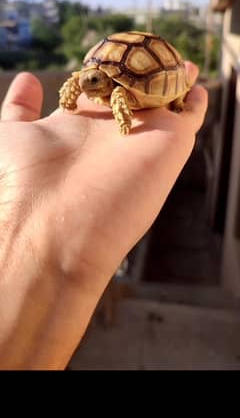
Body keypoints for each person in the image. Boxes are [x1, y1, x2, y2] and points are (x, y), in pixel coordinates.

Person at [0, 62, 208, 370]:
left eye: (95, 80)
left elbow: (119, 94)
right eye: (86, 79)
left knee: (120, 94)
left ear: (106, 80)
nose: (87, 83)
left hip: (132, 77)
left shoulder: (120, 92)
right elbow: (77, 82)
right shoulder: (86, 80)